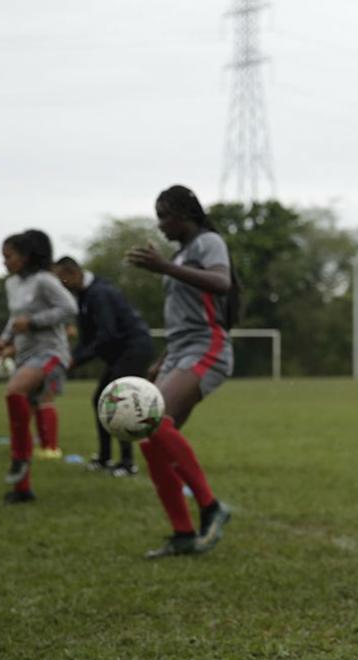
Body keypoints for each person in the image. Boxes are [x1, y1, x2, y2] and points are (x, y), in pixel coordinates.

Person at [125, 185, 234, 559]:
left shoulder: (208, 243)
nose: (160, 225)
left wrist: (165, 267)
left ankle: (210, 507)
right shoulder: (182, 253)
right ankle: (183, 533)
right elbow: (184, 313)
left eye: (164, 216)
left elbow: (222, 283)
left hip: (208, 346)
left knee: (154, 421)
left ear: (184, 214)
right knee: (148, 436)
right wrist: (165, 358)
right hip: (180, 350)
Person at [0, 229, 78, 504]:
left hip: (50, 352)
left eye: (9, 256)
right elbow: (15, 318)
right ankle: (22, 488)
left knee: (13, 391)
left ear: (26, 256)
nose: (5, 262)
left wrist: (34, 322)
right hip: (25, 356)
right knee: (20, 415)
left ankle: (22, 458)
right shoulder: (12, 284)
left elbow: (69, 308)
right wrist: (4, 340)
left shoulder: (44, 281)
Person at [53, 256, 154, 477]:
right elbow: (88, 337)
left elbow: (107, 335)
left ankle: (127, 463)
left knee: (119, 402)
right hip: (120, 353)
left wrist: (76, 360)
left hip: (134, 349)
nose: (60, 286)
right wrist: (73, 356)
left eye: (61, 280)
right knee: (101, 400)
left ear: (73, 273)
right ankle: (105, 458)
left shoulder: (100, 293)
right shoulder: (84, 296)